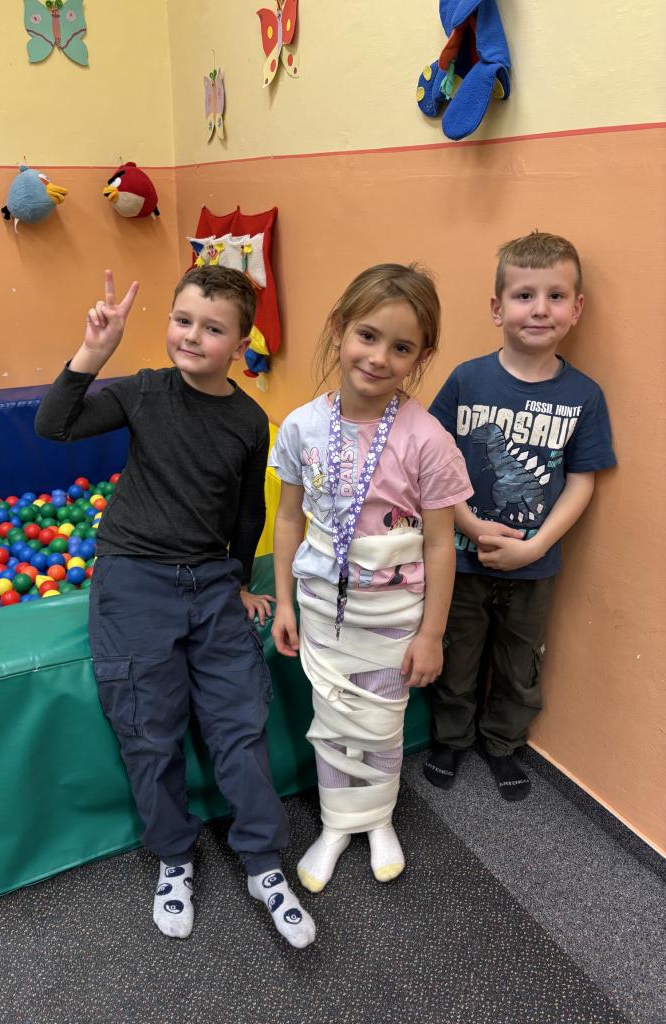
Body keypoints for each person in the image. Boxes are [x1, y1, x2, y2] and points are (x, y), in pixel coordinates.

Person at [35, 265, 315, 948]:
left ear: (241, 344)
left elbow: (246, 511)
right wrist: (93, 352)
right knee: (148, 730)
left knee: (239, 723)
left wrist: (240, 580)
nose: (191, 336)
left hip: (212, 583)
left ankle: (262, 863)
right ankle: (174, 857)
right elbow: (54, 425)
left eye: (212, 328)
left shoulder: (247, 420)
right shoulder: (144, 390)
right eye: (182, 320)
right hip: (134, 579)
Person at [270, 263, 472, 893]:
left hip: (393, 615)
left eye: (402, 347)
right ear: (338, 329)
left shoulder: (428, 440)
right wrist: (283, 603)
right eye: (367, 335)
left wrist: (432, 634)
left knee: (382, 722)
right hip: (320, 607)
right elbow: (288, 520)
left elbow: (440, 544)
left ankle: (378, 818)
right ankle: (336, 823)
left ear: (422, 357)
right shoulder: (301, 426)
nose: (380, 357)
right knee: (332, 720)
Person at [424, 231, 616, 800]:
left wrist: (536, 546)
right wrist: (467, 523)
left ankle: (503, 743)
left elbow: (582, 481)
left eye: (556, 296)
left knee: (519, 661)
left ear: (576, 309)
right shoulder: (467, 379)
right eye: (524, 295)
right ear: (496, 307)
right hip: (461, 559)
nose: (539, 309)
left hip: (535, 566)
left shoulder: (584, 396)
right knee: (457, 653)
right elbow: (430, 460)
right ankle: (450, 738)